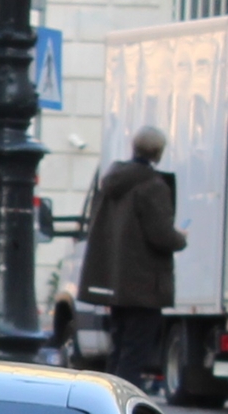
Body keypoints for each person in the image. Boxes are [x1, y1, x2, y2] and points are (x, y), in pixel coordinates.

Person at [78, 125, 189, 388]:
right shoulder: (153, 186)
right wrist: (181, 237)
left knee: (118, 347)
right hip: (144, 285)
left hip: (117, 282)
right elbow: (160, 235)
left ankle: (108, 395)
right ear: (159, 153)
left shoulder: (112, 181)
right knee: (135, 351)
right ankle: (124, 401)